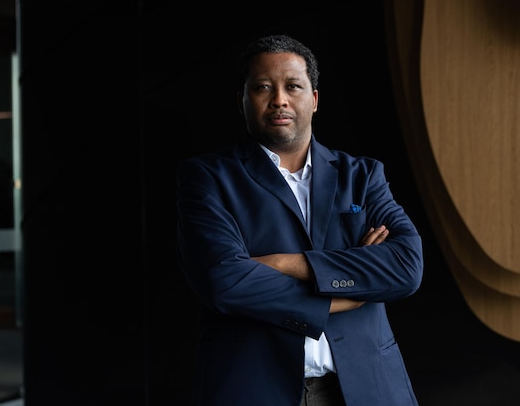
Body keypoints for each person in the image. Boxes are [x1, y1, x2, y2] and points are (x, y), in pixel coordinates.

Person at [175, 34, 424, 406]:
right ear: (242, 100)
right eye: (262, 87)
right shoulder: (208, 177)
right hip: (254, 388)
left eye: (293, 86)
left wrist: (283, 264)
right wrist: (348, 296)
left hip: (366, 388)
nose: (279, 99)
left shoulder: (363, 176)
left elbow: (406, 267)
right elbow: (224, 280)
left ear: (315, 99)